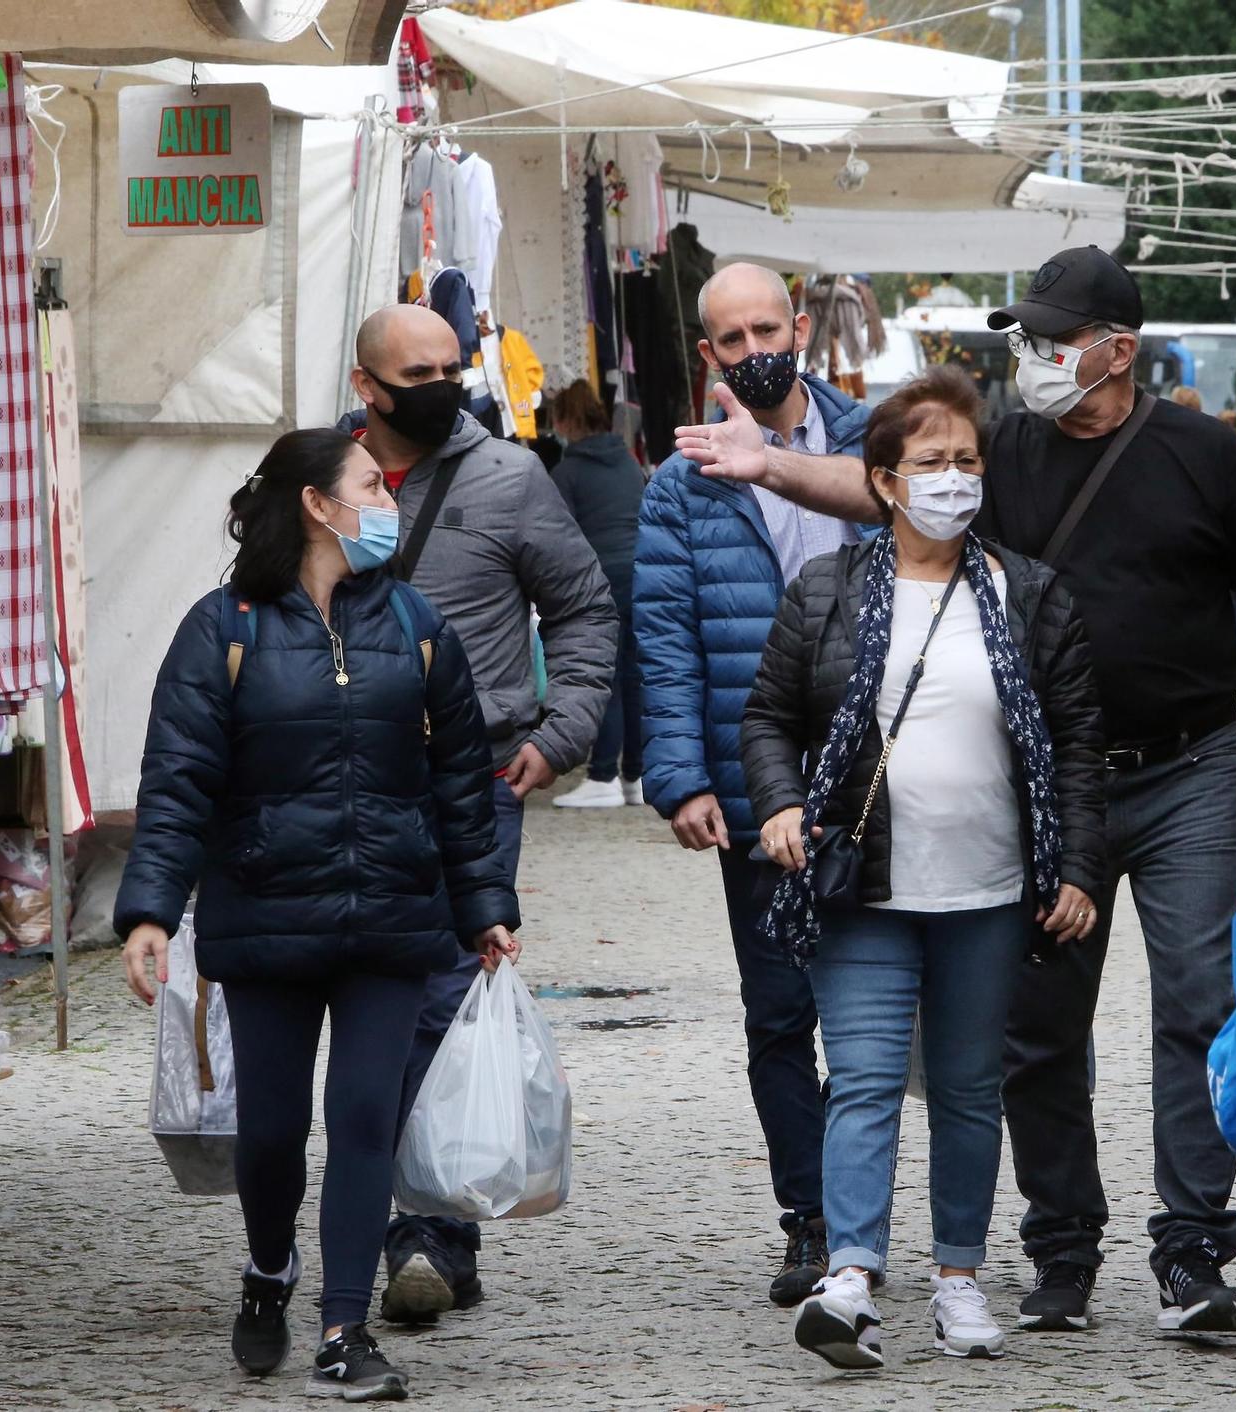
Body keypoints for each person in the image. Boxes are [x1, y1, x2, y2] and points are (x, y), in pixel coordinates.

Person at [673, 244, 1236, 1336]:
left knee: (1196, 1000)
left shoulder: (1205, 456)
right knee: (1038, 1024)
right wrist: (767, 466)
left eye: (1050, 337)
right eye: (1024, 337)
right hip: (1048, 779)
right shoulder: (1006, 451)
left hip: (1188, 763)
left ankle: (1190, 1249)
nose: (1028, 355)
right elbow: (881, 484)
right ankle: (1061, 1247)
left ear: (1116, 351)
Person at [115, 430, 523, 1402]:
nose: (386, 499)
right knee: (269, 1131)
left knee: (365, 1116)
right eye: (370, 485)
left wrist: (484, 907)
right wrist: (150, 910)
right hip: (266, 913)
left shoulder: (419, 623)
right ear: (315, 502)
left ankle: (344, 1326)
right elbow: (178, 783)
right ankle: (268, 1268)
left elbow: (462, 783)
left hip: (393, 915)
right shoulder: (223, 628)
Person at [741, 366, 1107, 1369]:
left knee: (965, 1088)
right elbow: (770, 714)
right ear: (885, 481)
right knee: (859, 1077)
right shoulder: (828, 587)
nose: (952, 479)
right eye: (931, 462)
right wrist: (778, 804)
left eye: (965, 461)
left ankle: (957, 1279)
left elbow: (1075, 740)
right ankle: (851, 1272)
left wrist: (1074, 864)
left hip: (988, 887)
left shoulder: (1025, 592)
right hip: (861, 886)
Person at [347, 304, 617, 1324]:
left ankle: (429, 1230)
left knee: (445, 997)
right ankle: (349, 1221)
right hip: (338, 783)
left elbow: (586, 609)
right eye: (416, 369)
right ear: (367, 384)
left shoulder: (510, 476)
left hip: (473, 776)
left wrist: (561, 735)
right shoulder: (317, 477)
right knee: (359, 996)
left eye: (451, 366)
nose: (442, 382)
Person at [635, 262, 870, 1306]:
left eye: (764, 329)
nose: (750, 351)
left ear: (801, 326)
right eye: (729, 339)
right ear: (707, 354)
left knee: (875, 1005)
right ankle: (810, 1218)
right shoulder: (681, 480)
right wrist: (681, 776)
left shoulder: (875, 440)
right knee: (779, 1008)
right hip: (750, 781)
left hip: (877, 776)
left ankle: (865, 1214)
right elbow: (664, 639)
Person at [547, 380, 649, 809]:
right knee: (635, 677)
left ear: (566, 420)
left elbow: (557, 536)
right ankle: (636, 777)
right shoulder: (627, 462)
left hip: (600, 580)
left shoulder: (566, 472)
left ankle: (603, 773)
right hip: (643, 574)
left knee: (603, 675)